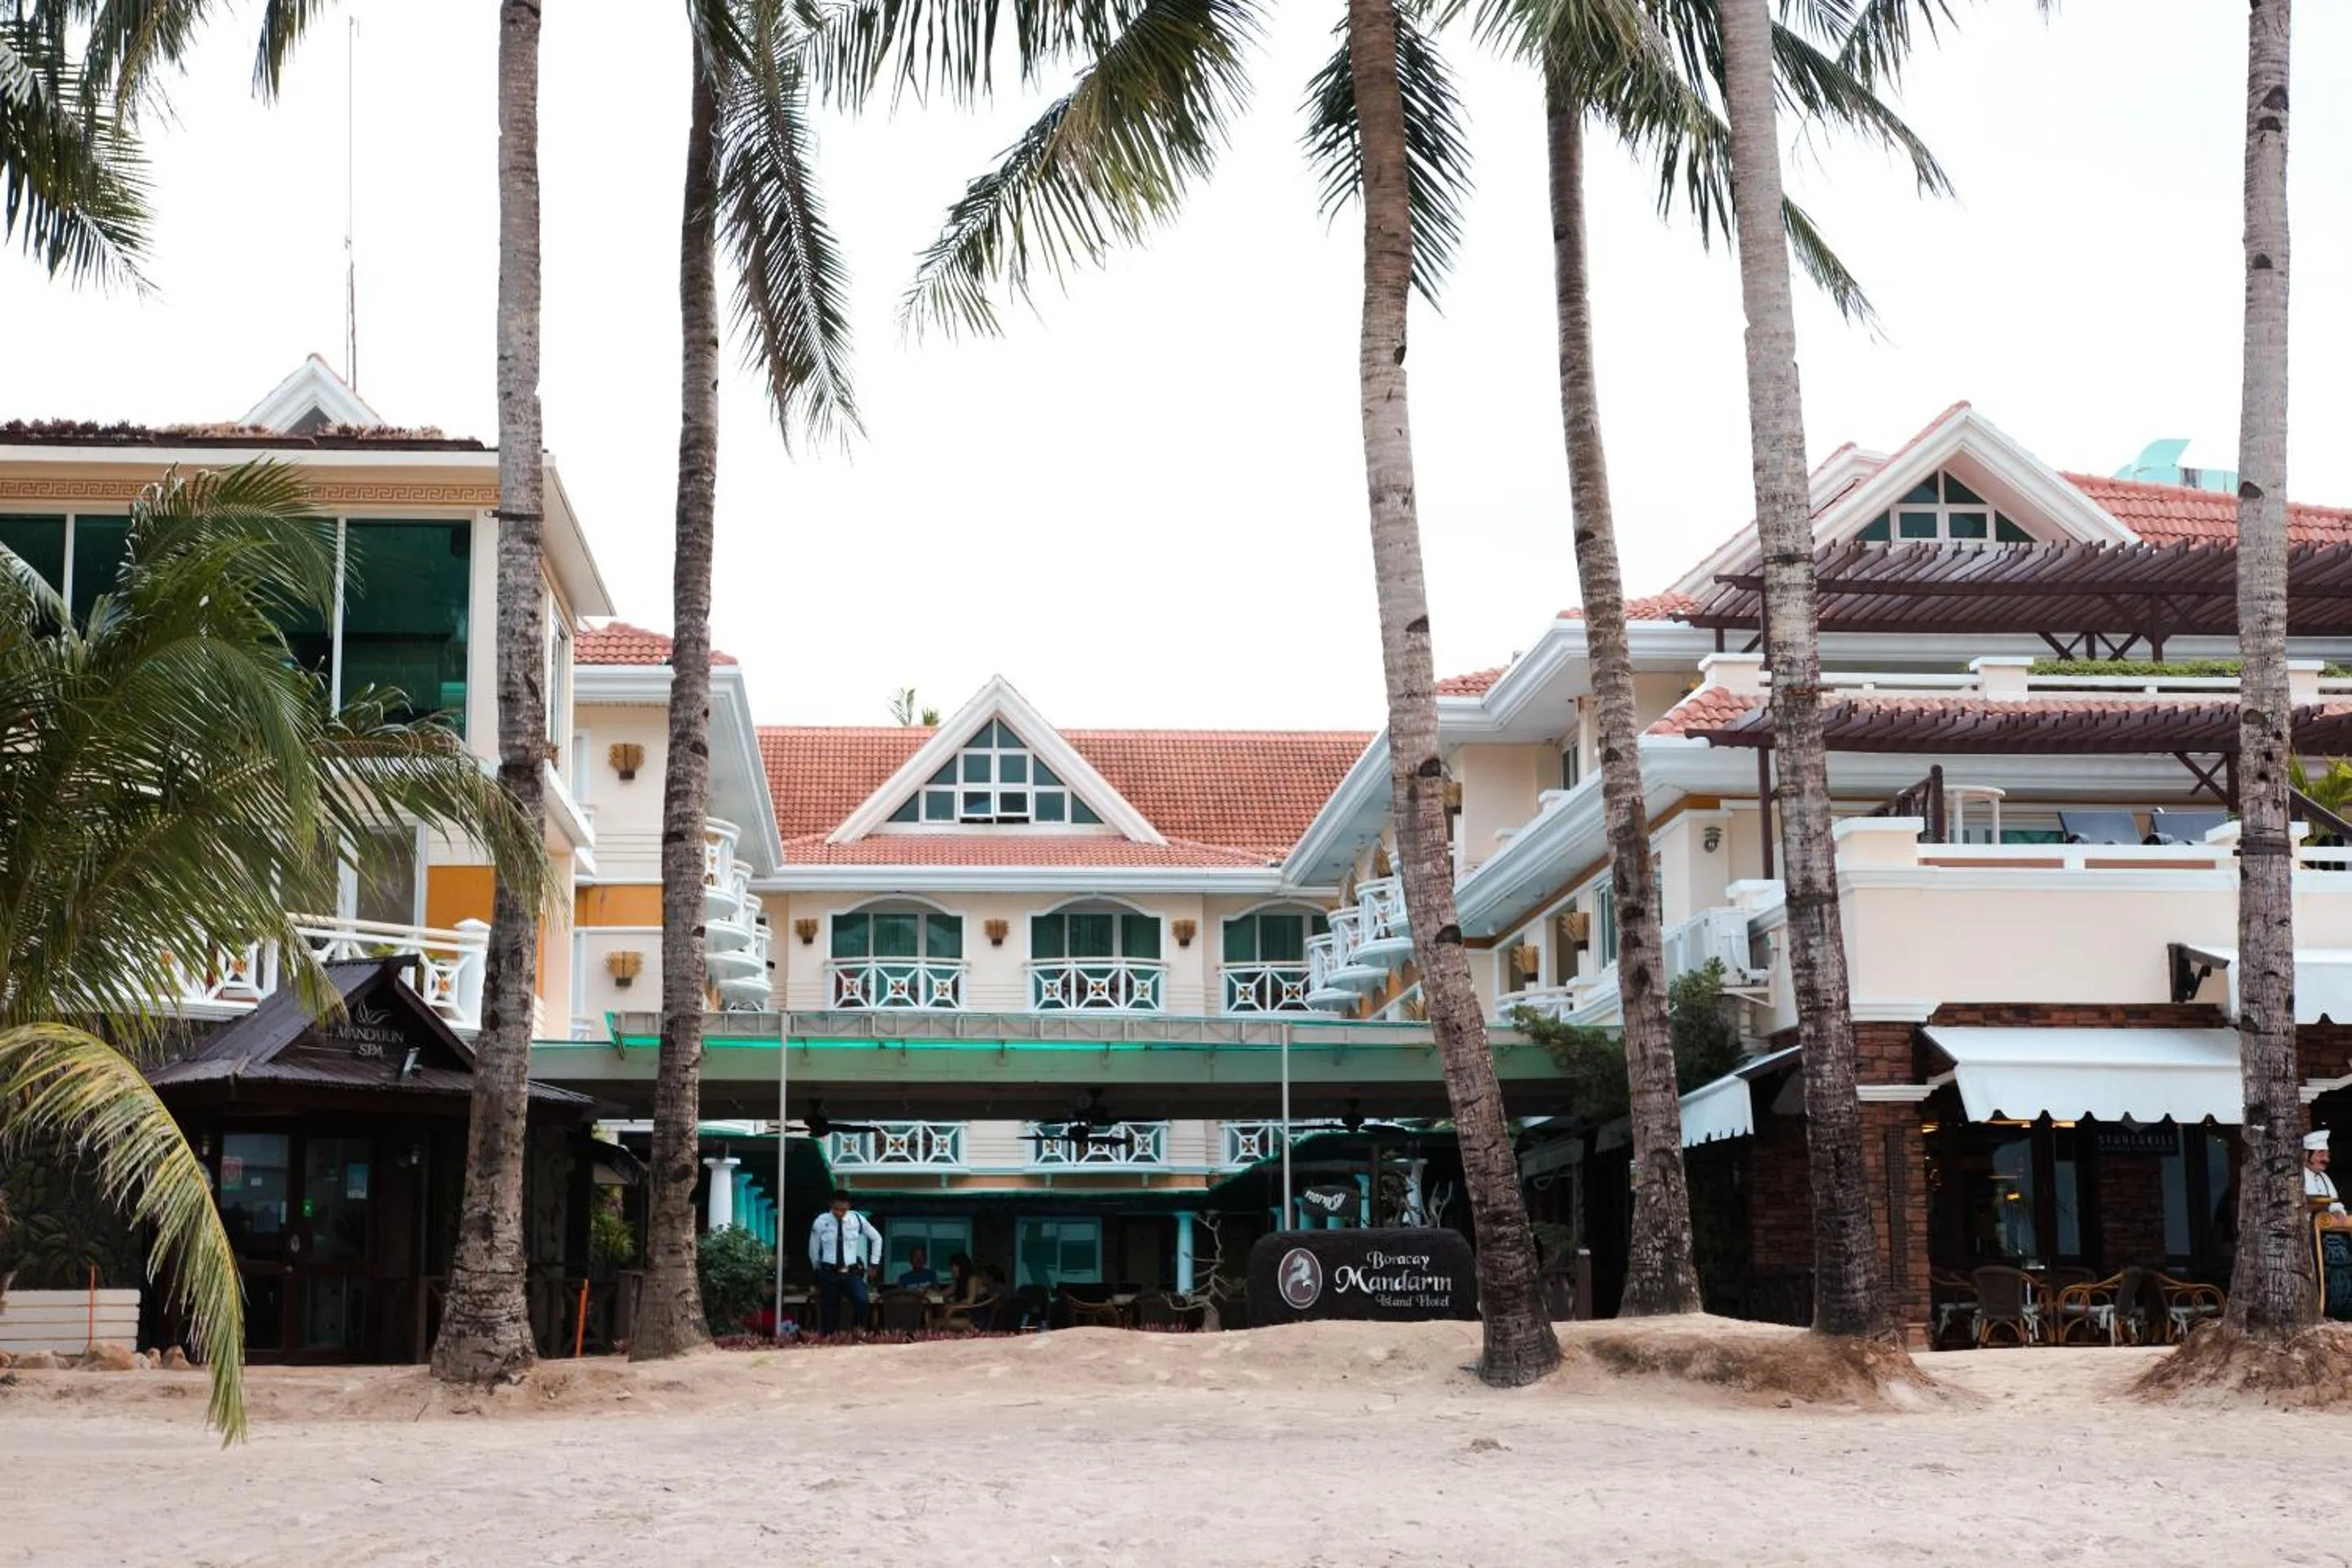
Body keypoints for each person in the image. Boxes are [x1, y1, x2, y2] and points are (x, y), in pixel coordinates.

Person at [808, 1191, 883, 1335]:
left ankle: (857, 1333)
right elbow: (813, 1248)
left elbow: (877, 1238)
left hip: (851, 1272)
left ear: (849, 1206)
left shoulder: (857, 1219)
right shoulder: (821, 1221)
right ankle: (831, 1341)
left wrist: (874, 1264)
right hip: (829, 1272)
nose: (839, 1213)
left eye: (843, 1209)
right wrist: (817, 1269)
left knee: (862, 1300)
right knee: (829, 1311)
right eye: (836, 1209)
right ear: (831, 1205)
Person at [2307, 1129, 2345, 1215]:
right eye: (2321, 1155)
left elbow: (2334, 1202)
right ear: (2306, 1155)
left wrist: (2337, 1211)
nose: (2326, 1160)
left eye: (2328, 1156)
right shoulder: (2297, 1176)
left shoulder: (2324, 1177)